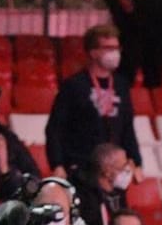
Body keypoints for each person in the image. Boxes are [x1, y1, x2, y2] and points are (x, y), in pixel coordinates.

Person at [46, 24, 142, 182]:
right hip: (83, 168)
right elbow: (55, 128)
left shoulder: (121, 85)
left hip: (114, 171)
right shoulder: (74, 85)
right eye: (108, 48)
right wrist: (57, 164)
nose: (115, 52)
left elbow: (127, 128)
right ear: (93, 52)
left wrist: (136, 161)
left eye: (117, 47)